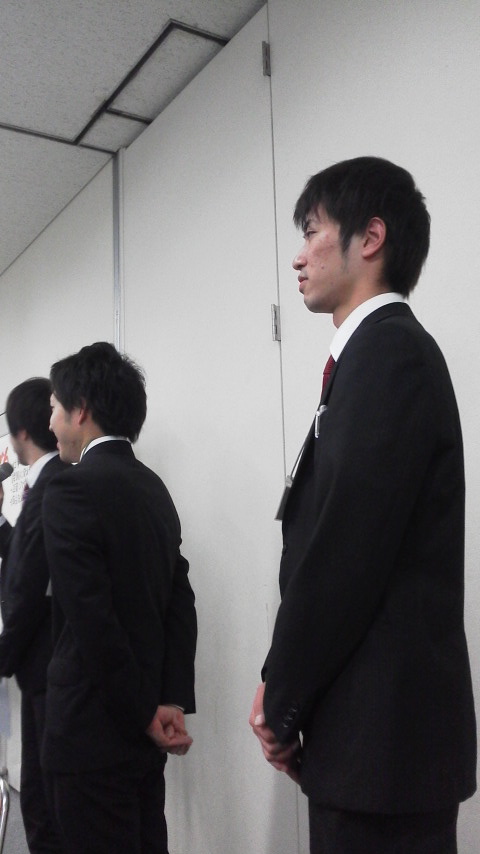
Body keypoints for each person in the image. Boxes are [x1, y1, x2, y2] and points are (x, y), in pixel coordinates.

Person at [250, 157, 477, 853]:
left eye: (312, 231)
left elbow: (344, 554)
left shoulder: (388, 354)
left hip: (382, 748)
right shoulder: (370, 359)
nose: (298, 256)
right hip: (371, 746)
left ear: (370, 237)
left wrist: (281, 696)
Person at [41, 341, 197, 854]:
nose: (50, 423)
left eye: (55, 408)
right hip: (144, 734)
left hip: (90, 735)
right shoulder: (154, 488)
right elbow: (180, 601)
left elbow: (93, 623)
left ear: (81, 410)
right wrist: (168, 700)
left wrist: (143, 713)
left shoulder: (69, 489)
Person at [0, 377, 66, 853]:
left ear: (20, 430)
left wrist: (3, 656)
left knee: (44, 803)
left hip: (48, 666)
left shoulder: (56, 485)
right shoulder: (47, 483)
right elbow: (26, 556)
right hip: (42, 667)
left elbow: (28, 587)